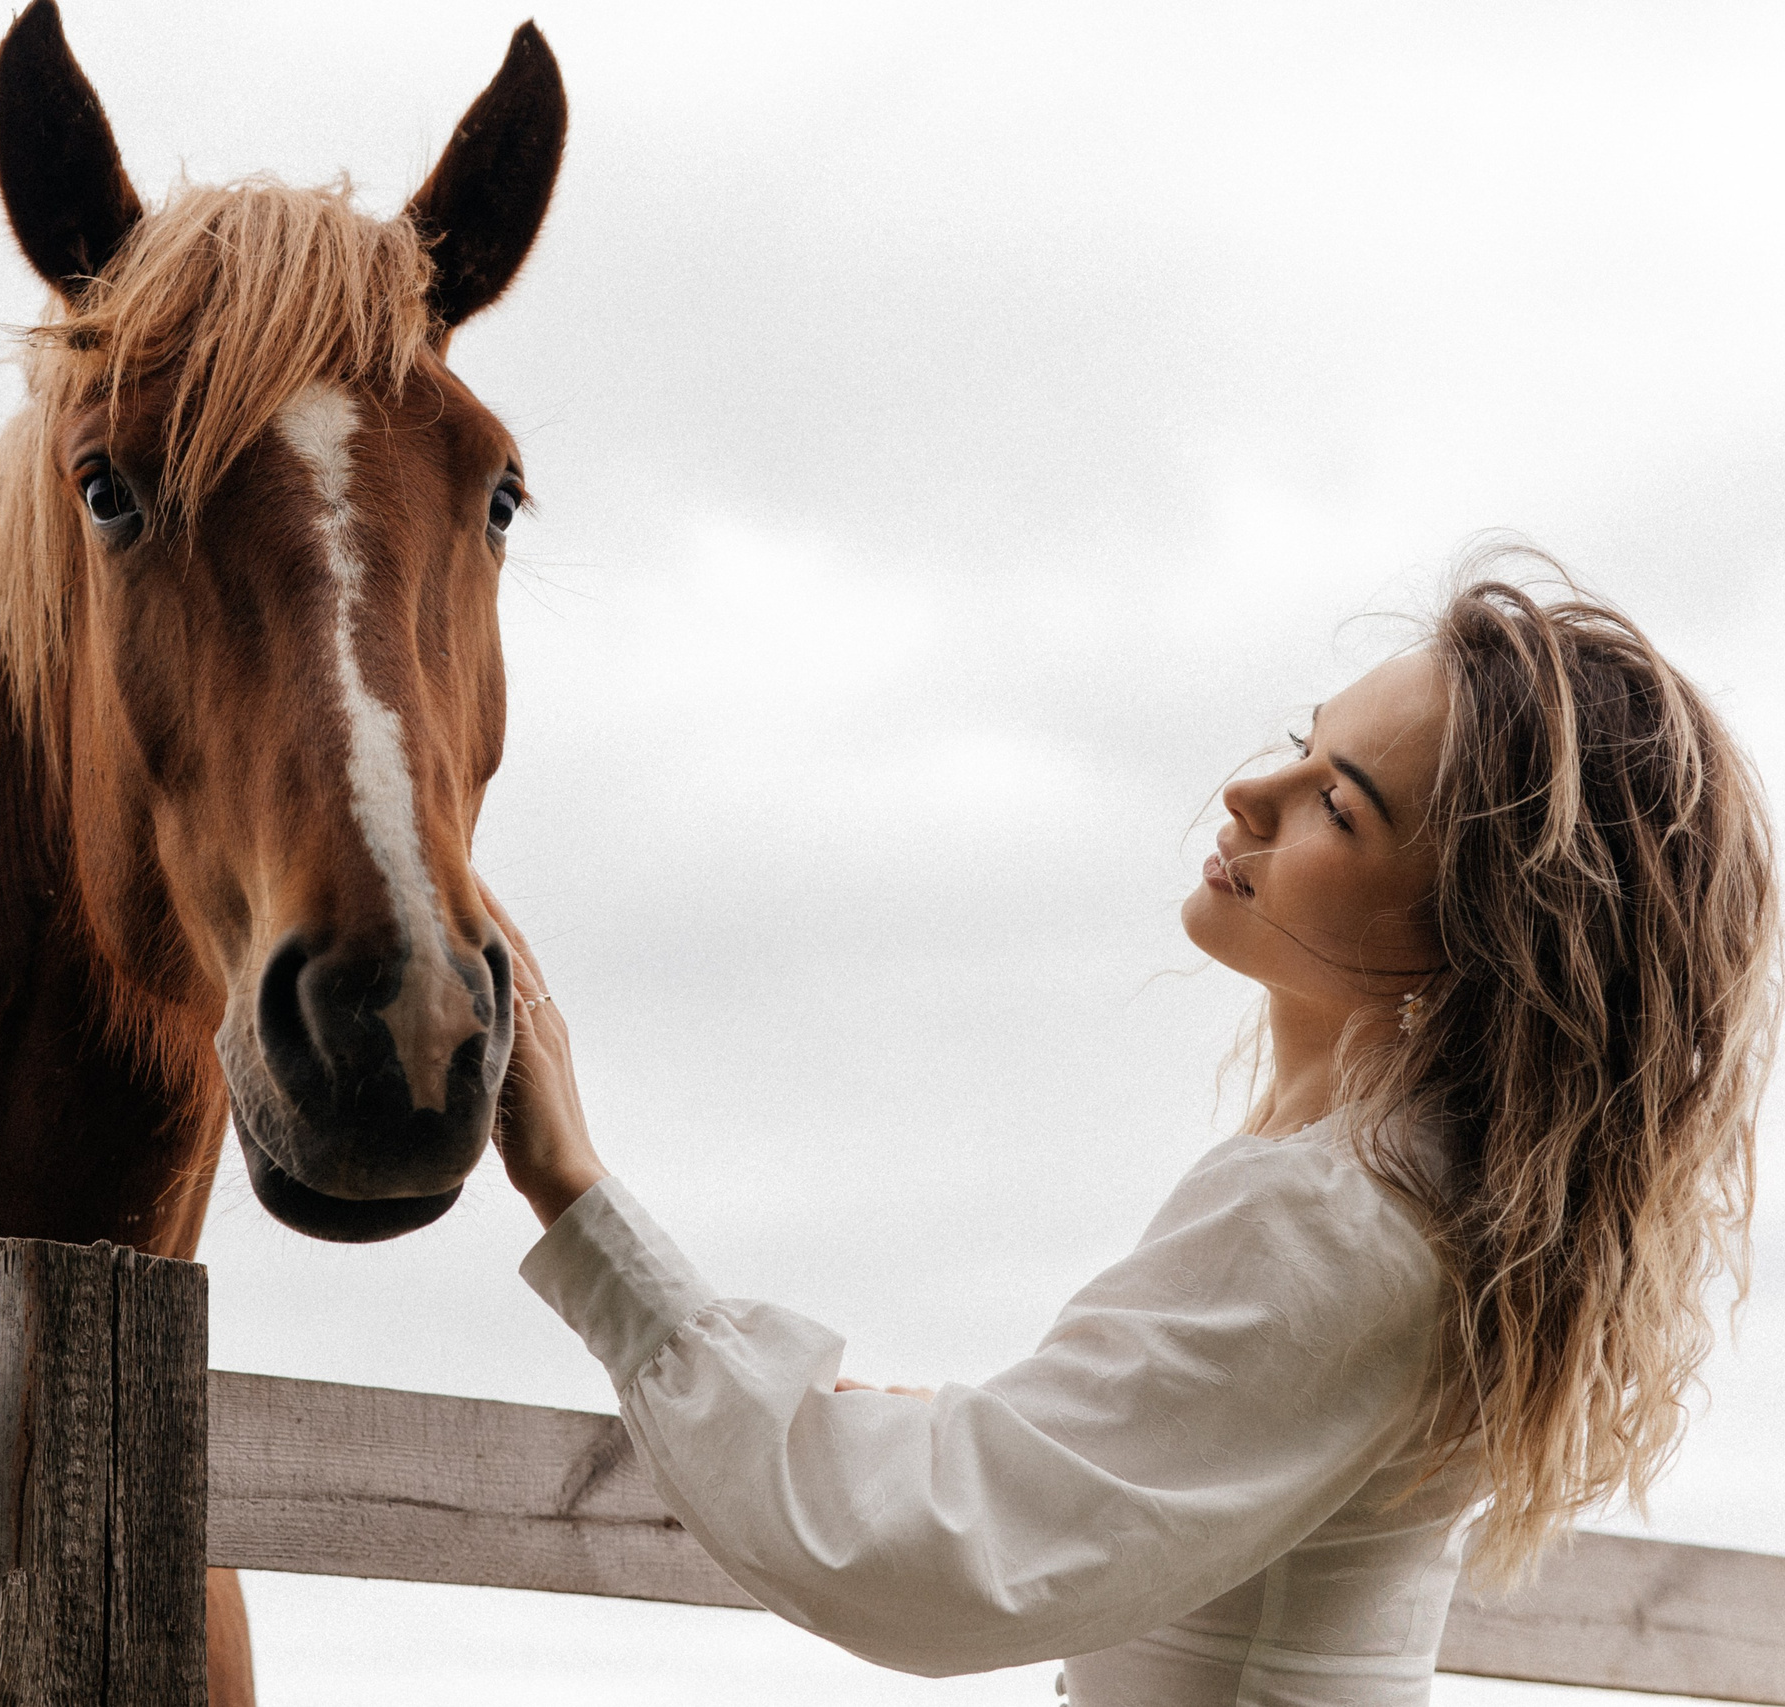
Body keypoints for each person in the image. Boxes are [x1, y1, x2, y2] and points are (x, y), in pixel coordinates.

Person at [489, 563, 1778, 1707]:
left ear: (1476, 939)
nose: (1250, 791)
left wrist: (573, 1191)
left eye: (1340, 807)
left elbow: (927, 1558)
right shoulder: (1411, 1201)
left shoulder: (1339, 1221)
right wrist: (993, 1429)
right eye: (1302, 745)